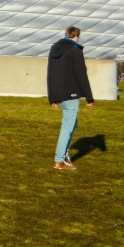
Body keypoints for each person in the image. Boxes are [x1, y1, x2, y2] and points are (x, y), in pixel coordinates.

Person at [46, 26, 94, 170]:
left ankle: (64, 155)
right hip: (71, 94)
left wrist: (52, 97)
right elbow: (81, 75)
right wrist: (89, 98)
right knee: (67, 127)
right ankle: (59, 160)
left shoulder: (54, 49)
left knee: (72, 124)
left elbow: (50, 74)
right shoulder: (75, 50)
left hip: (59, 94)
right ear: (76, 37)